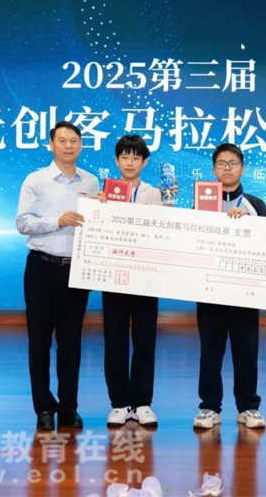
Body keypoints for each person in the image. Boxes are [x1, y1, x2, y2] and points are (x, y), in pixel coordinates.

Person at [15, 121, 99, 431]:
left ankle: (68, 407)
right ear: (51, 145)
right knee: (39, 342)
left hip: (77, 270)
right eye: (62, 140)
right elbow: (22, 223)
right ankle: (43, 408)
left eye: (74, 140)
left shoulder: (91, 182)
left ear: (81, 145)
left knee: (71, 343)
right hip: (42, 268)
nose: (68, 146)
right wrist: (57, 221)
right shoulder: (35, 180)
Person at [193, 143, 266, 430]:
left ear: (242, 168)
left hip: (244, 292)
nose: (227, 168)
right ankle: (209, 407)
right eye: (221, 163)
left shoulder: (254, 204)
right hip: (209, 291)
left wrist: (250, 223)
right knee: (210, 351)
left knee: (246, 351)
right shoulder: (200, 202)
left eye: (232, 163)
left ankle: (248, 407)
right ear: (214, 169)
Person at [103, 135, 163, 427]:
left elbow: (163, 231)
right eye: (124, 157)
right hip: (114, 274)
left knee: (144, 339)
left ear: (144, 162)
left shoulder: (154, 193)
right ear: (116, 161)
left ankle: (142, 402)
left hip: (145, 276)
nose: (129, 163)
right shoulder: (107, 192)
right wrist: (97, 207)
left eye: (135, 158)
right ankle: (118, 403)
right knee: (114, 338)